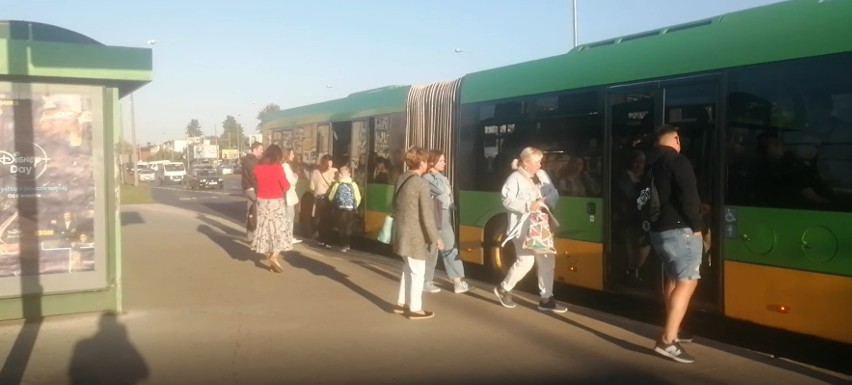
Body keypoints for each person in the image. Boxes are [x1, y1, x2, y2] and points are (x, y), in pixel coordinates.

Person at [645, 124, 702, 364]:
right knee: (687, 281)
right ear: (676, 139)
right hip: (680, 231)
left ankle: (673, 328)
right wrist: (698, 226)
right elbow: (689, 198)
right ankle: (668, 340)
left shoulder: (649, 162)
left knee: (672, 279)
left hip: (658, 230)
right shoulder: (677, 161)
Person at [492, 147, 567, 314]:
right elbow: (506, 200)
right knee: (526, 261)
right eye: (537, 162)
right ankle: (504, 288)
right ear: (525, 163)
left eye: (540, 161)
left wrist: (545, 201)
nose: (540, 165)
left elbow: (554, 193)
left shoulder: (542, 175)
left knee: (547, 259)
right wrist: (528, 205)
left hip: (541, 227)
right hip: (523, 228)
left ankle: (546, 298)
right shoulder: (514, 178)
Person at [392, 147, 444, 320]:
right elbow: (427, 215)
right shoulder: (421, 183)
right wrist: (436, 238)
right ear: (421, 163)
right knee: (418, 271)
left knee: (408, 268)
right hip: (414, 234)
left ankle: (401, 303)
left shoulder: (401, 178)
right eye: (426, 160)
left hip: (401, 229)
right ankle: (415, 308)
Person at [422, 149, 470, 294]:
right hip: (435, 217)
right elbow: (441, 190)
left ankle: (457, 281)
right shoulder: (427, 178)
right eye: (441, 161)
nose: (444, 163)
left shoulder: (440, 176)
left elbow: (446, 194)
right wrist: (436, 175)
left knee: (450, 248)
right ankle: (426, 281)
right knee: (432, 250)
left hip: (445, 216)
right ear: (432, 162)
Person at [251, 144, 292, 273]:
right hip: (276, 202)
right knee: (280, 231)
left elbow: (256, 182)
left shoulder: (257, 168)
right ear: (277, 156)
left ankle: (271, 263)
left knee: (265, 230)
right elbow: (286, 186)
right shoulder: (277, 168)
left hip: (262, 201)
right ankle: (274, 256)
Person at [615, 150, 651, 285]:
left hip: (639, 219)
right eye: (636, 161)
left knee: (642, 247)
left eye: (642, 162)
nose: (639, 165)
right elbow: (631, 197)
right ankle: (630, 273)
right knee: (632, 249)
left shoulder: (643, 178)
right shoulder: (625, 176)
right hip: (628, 219)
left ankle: (634, 272)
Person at [327, 164, 361, 252]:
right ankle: (347, 244)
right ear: (349, 174)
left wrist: (335, 204)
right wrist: (354, 206)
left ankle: (342, 246)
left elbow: (331, 197)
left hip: (340, 209)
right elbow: (358, 197)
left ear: (340, 175)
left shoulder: (337, 184)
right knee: (348, 227)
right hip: (350, 209)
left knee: (341, 227)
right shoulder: (353, 184)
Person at [310, 154, 337, 248]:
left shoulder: (315, 172)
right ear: (328, 162)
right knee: (328, 220)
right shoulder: (335, 171)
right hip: (329, 198)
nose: (332, 163)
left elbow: (311, 187)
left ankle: (321, 240)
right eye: (330, 161)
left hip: (319, 199)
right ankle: (328, 242)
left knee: (321, 220)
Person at [241, 142, 264, 243]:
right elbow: (254, 177)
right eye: (260, 149)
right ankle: (256, 234)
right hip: (252, 188)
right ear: (254, 149)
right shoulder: (253, 161)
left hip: (247, 188)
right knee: (257, 211)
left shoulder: (247, 159)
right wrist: (259, 190)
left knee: (250, 211)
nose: (262, 151)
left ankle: (250, 236)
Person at [281, 148, 302, 244]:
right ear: (287, 155)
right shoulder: (286, 166)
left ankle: (287, 236)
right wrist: (296, 176)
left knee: (288, 216)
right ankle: (288, 237)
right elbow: (291, 181)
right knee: (290, 216)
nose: (293, 156)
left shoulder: (283, 165)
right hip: (288, 195)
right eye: (292, 154)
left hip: (286, 195)